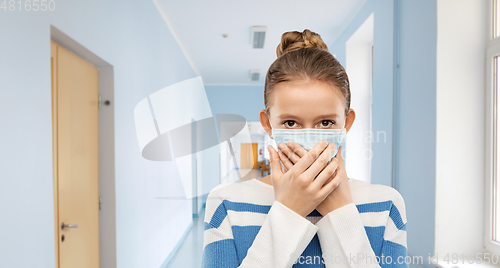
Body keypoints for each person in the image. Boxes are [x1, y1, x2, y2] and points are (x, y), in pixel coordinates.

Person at [202, 29, 407, 268]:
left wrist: (340, 215)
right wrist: (289, 211)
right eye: (290, 122)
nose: (309, 140)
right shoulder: (226, 204)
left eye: (326, 122)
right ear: (268, 124)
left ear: (347, 123)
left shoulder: (386, 204)